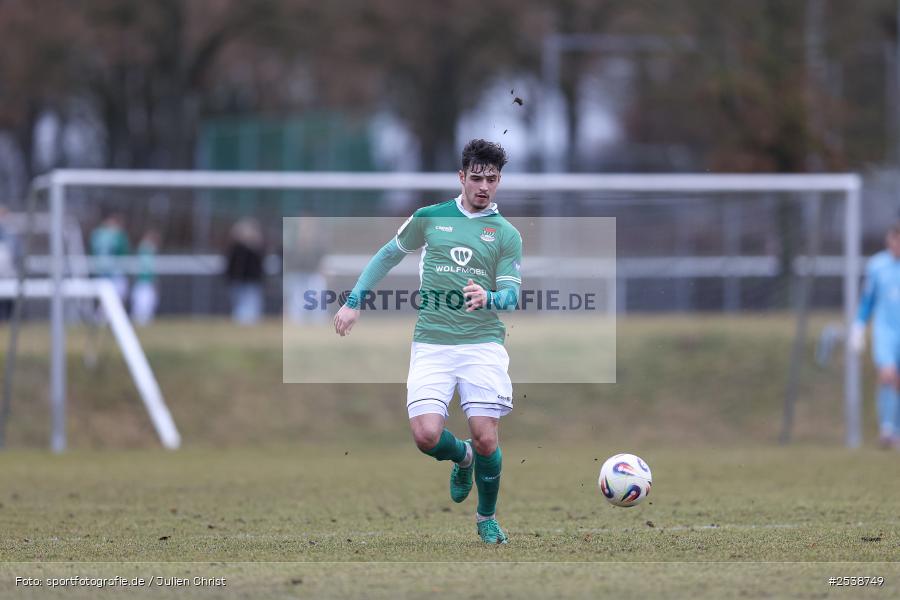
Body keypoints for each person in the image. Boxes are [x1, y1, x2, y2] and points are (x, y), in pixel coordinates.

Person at [333, 139, 522, 544]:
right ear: (461, 177)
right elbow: (387, 254)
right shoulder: (429, 218)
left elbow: (511, 293)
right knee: (426, 436)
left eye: (491, 179)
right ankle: (463, 457)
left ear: (499, 180)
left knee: (486, 434)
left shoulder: (506, 234)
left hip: (482, 343)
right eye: (476, 178)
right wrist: (353, 302)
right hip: (433, 343)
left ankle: (486, 517)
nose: (484, 186)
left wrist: (489, 297)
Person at [851, 223, 900, 448]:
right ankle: (887, 429)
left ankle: (896, 430)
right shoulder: (877, 266)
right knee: (888, 375)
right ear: (889, 240)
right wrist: (858, 327)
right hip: (885, 331)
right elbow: (867, 300)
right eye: (894, 239)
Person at [225, 218, 265, 325]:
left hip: (252, 283)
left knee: (252, 307)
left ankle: (249, 323)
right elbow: (231, 267)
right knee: (240, 307)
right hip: (238, 283)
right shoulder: (236, 249)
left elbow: (258, 268)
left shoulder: (256, 250)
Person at [90, 212, 131, 304]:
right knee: (114, 297)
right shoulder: (115, 235)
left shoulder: (97, 234)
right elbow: (123, 250)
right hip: (112, 272)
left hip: (103, 271)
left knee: (109, 298)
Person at [131, 229, 160, 326]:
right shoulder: (146, 250)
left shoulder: (144, 251)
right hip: (144, 281)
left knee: (146, 301)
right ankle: (141, 320)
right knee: (143, 301)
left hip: (144, 281)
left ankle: (143, 320)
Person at [0, 205, 22, 321]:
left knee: (8, 303)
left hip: (9, 275)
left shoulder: (12, 234)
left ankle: (8, 320)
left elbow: (18, 254)